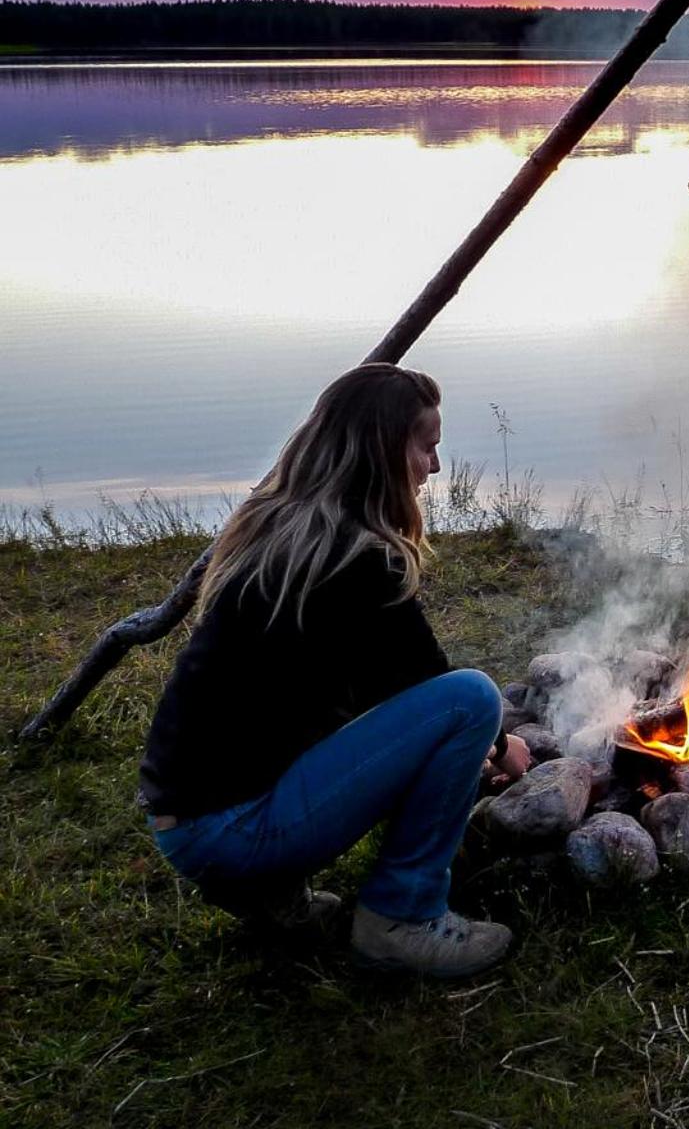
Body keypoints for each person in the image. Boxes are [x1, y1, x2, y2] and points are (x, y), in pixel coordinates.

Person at [138, 363, 531, 979]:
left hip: (186, 825)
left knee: (417, 712)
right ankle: (402, 918)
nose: (434, 467)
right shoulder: (357, 560)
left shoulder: (283, 534)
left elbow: (376, 699)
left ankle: (273, 895)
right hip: (232, 832)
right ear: (382, 451)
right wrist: (507, 747)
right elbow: (435, 687)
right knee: (472, 700)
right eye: (426, 447)